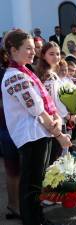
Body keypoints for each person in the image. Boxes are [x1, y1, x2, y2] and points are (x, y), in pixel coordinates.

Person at [1, 29, 71, 225]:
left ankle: (37, 218)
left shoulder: (25, 72)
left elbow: (45, 103)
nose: (33, 52)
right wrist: (59, 135)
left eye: (34, 49)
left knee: (35, 183)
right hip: (31, 136)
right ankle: (34, 221)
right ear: (13, 50)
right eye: (28, 48)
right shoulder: (16, 76)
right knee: (31, 185)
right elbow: (37, 110)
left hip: (39, 134)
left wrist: (57, 118)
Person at [36, 42, 76, 163]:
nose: (56, 57)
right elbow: (55, 102)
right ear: (43, 55)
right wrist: (68, 116)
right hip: (55, 121)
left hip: (51, 120)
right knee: (57, 159)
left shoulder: (49, 73)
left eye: (58, 54)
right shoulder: (50, 76)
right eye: (51, 54)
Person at [0, 48, 21, 220]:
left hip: (15, 126)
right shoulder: (7, 74)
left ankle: (17, 204)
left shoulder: (19, 71)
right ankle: (14, 205)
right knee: (13, 169)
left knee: (16, 168)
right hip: (8, 127)